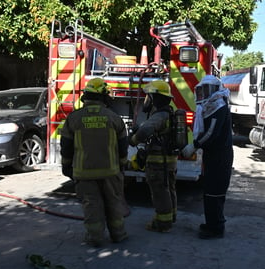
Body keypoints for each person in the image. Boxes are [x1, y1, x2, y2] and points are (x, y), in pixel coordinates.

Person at [60, 77, 129, 247]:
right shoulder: (114, 118)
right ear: (104, 97)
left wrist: (66, 166)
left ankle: (95, 238)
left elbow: (66, 146)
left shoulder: (74, 118)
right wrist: (122, 165)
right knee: (114, 203)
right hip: (111, 172)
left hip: (84, 173)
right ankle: (118, 235)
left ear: (86, 96)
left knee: (92, 206)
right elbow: (123, 146)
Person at [182, 75, 233, 239]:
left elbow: (211, 133)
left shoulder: (219, 106)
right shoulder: (212, 106)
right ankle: (211, 223)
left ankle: (216, 228)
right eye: (201, 90)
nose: (203, 94)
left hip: (220, 156)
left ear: (215, 90)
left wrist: (194, 145)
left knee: (215, 192)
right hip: (213, 154)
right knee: (210, 191)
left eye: (206, 90)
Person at [129, 80, 177, 233]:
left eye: (149, 96)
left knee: (159, 191)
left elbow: (145, 132)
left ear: (155, 98)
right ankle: (171, 216)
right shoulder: (169, 112)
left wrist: (133, 139)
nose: (146, 100)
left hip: (158, 161)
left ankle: (162, 223)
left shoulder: (160, 115)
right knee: (169, 188)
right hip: (169, 160)